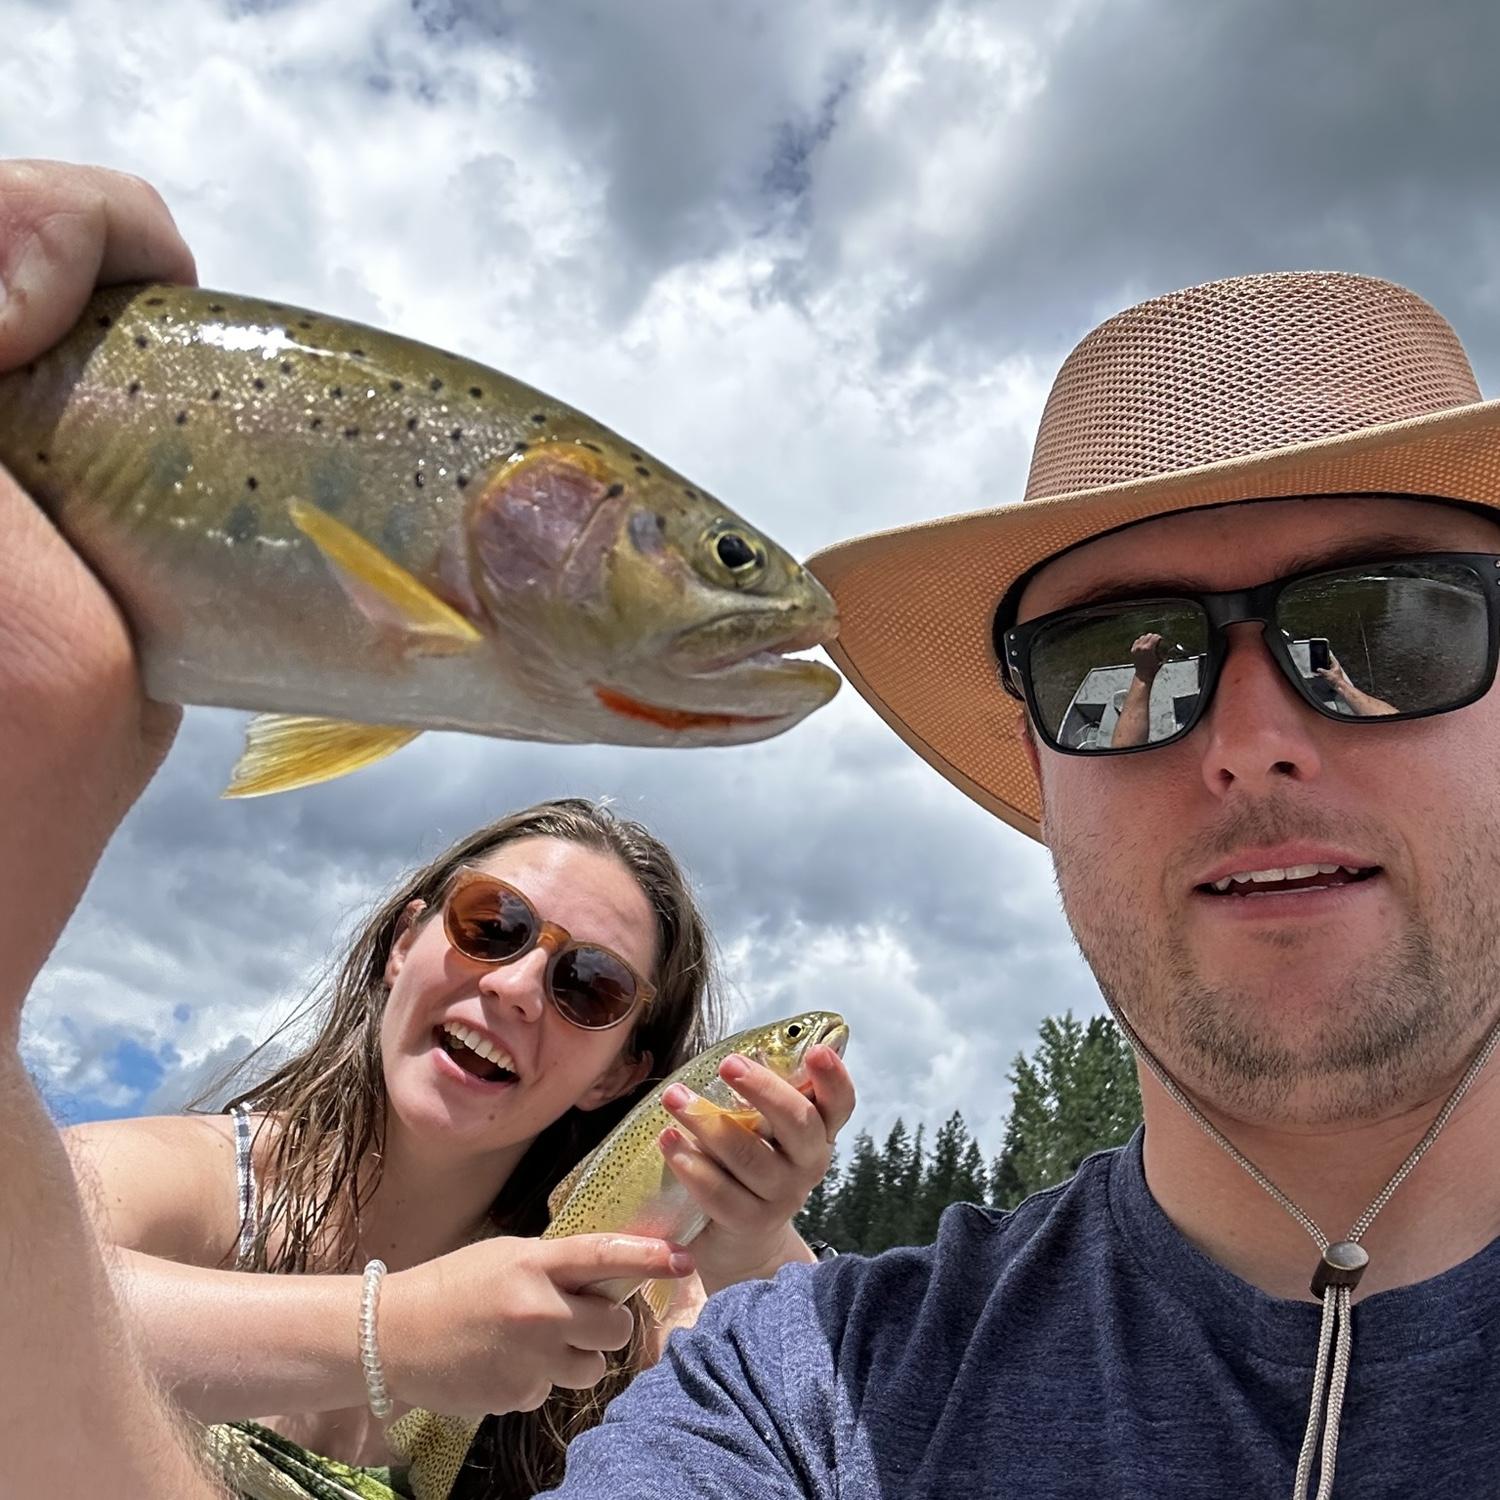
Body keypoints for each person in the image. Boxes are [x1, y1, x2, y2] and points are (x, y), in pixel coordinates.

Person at [535, 271, 1500, 1500]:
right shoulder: (801, 1398)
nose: (1252, 740)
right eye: (1109, 668)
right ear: (1043, 772)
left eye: (1389, 629)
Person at [0, 158, 856, 1500]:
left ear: (624, 1072)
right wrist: (388, 1336)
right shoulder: (213, 1183)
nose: (515, 985)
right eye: (490, 925)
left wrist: (754, 1241)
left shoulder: (612, 1299)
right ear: (403, 944)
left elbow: (851, 1422)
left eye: (587, 985)